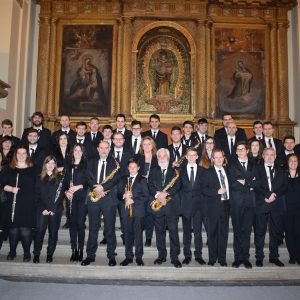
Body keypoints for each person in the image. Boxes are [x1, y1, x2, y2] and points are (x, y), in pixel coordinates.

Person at [81, 140, 120, 267]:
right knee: (93, 228)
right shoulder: (90, 161)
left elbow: (115, 179)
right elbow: (87, 176)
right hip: (94, 198)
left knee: (109, 228)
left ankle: (111, 255)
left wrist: (103, 188)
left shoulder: (115, 163)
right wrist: (95, 188)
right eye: (101, 148)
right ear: (98, 149)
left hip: (109, 199)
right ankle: (90, 255)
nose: (104, 150)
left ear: (109, 149)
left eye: (106, 148)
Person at [148, 148, 182, 268]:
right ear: (157, 158)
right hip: (158, 205)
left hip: (171, 206)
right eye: (160, 156)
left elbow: (178, 184)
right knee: (159, 232)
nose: (162, 158)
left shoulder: (175, 170)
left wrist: (166, 194)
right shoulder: (153, 170)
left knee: (173, 232)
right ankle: (161, 255)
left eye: (164, 156)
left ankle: (175, 257)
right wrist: (158, 195)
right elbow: (150, 185)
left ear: (168, 157)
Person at [254, 147, 287, 267]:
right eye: (266, 154)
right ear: (262, 156)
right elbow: (256, 185)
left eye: (272, 154)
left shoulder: (282, 170)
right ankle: (259, 257)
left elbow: (284, 186)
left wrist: (275, 195)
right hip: (262, 204)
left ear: (275, 156)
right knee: (260, 232)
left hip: (276, 205)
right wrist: (267, 195)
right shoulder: (257, 169)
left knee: (275, 233)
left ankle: (274, 257)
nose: (269, 157)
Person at [2, 146, 36, 261]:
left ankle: (27, 253)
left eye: (24, 153)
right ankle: (12, 251)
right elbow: (2, 184)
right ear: (15, 155)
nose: (21, 155)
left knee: (26, 229)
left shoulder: (33, 169)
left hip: (28, 203)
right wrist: (11, 189)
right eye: (19, 153)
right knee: (13, 229)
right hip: (13, 203)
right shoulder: (8, 169)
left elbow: (38, 185)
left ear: (27, 155)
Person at [228, 141, 258, 269]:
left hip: (250, 203)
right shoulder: (231, 166)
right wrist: (249, 183)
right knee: (237, 231)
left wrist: (244, 182)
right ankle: (237, 258)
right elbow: (232, 184)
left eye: (242, 149)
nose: (240, 152)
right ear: (236, 152)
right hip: (236, 203)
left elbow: (257, 182)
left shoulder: (254, 165)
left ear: (247, 151)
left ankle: (245, 258)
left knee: (246, 231)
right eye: (238, 150)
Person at [33, 156, 67, 263]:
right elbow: (36, 195)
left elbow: (61, 195)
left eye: (53, 163)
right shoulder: (38, 177)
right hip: (42, 209)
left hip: (55, 209)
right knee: (39, 232)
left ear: (55, 165)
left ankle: (49, 254)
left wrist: (53, 208)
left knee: (53, 233)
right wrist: (43, 208)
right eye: (48, 163)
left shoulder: (61, 178)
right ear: (45, 164)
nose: (50, 165)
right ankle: (37, 254)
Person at [117, 158, 149, 266]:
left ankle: (139, 257)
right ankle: (128, 257)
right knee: (127, 234)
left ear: (138, 168)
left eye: (134, 167)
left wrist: (133, 199)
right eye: (130, 167)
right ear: (128, 168)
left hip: (138, 211)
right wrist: (123, 196)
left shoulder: (142, 180)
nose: (132, 169)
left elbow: (146, 196)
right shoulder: (123, 179)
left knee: (138, 235)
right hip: (126, 211)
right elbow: (117, 194)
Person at [202, 149, 230, 266]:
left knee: (223, 234)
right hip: (213, 207)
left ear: (224, 158)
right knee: (212, 233)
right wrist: (216, 191)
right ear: (212, 159)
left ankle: (222, 259)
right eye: (216, 157)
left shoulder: (228, 171)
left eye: (221, 157)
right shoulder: (208, 172)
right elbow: (203, 189)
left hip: (226, 206)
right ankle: (212, 258)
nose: (219, 159)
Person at [180, 147, 206, 265]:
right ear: (186, 157)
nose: (191, 157)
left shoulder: (202, 170)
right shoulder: (180, 171)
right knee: (186, 232)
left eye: (194, 155)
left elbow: (205, 188)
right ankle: (187, 255)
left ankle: (198, 255)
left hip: (199, 206)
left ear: (197, 157)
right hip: (185, 205)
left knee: (198, 231)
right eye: (189, 155)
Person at [65, 144, 90, 262]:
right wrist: (66, 192)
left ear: (83, 152)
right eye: (75, 150)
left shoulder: (87, 165)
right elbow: (64, 182)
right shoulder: (68, 166)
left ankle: (80, 250)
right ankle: (73, 249)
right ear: (72, 152)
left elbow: (90, 181)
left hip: (82, 198)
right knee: (72, 225)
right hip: (71, 198)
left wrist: (79, 186)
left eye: (80, 150)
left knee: (80, 224)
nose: (77, 152)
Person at [134, 136, 158, 247]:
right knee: (139, 215)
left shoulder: (157, 157)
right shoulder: (137, 157)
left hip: (152, 190)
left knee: (149, 215)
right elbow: (132, 171)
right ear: (141, 146)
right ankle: (137, 237)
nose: (147, 146)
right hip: (139, 190)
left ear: (153, 145)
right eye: (145, 144)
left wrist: (150, 177)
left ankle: (148, 238)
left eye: (149, 144)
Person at [52, 132, 72, 229]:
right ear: (58, 140)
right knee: (58, 201)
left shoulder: (72, 150)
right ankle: (55, 220)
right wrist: (59, 169)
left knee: (69, 200)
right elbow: (50, 165)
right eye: (61, 139)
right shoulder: (53, 152)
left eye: (65, 138)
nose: (63, 141)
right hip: (57, 179)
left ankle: (69, 220)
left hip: (70, 179)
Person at [284, 154, 300, 265]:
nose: (293, 163)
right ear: (287, 162)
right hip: (286, 209)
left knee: (298, 233)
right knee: (289, 233)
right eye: (291, 161)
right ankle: (292, 256)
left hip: (299, 209)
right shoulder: (283, 175)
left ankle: (298, 256)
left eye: (295, 161)